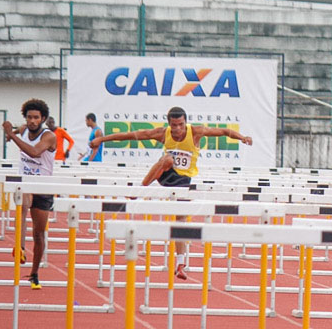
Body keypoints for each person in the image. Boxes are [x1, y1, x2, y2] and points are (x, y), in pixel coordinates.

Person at [89, 106, 253, 280]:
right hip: (166, 174)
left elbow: (224, 131)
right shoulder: (162, 133)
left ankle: (180, 264)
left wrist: (242, 137)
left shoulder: (196, 132)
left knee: (180, 221)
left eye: (180, 125)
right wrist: (102, 139)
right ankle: (141, 189)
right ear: (169, 124)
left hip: (183, 181)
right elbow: (131, 135)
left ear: (185, 123)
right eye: (174, 125)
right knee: (167, 159)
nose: (177, 129)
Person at [2, 99, 57, 289]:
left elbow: (34, 152)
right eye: (29, 117)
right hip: (25, 182)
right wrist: (10, 131)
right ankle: (20, 247)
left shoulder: (49, 136)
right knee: (23, 205)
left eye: (36, 118)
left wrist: (11, 134)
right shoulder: (24, 129)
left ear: (42, 118)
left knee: (39, 233)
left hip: (43, 186)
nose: (32, 121)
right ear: (25, 118)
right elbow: (13, 133)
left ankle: (34, 273)